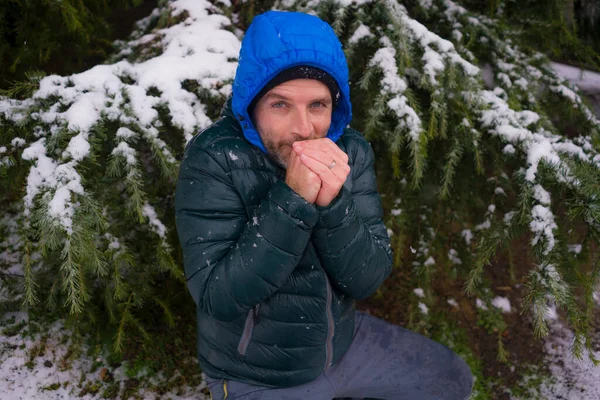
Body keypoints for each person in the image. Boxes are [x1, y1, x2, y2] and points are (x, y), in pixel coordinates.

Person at [174, 10, 473, 400]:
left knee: (452, 380)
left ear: (335, 105)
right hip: (257, 371)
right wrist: (293, 199)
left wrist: (334, 205)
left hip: (341, 346)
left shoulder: (350, 152)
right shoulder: (214, 159)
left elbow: (366, 278)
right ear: (251, 103)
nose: (303, 128)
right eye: (280, 105)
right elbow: (219, 298)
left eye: (317, 105)